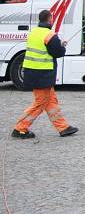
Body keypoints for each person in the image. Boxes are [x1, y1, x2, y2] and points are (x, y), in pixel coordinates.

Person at [11, 9, 78, 139]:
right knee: (40, 103)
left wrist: (58, 45)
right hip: (43, 74)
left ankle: (63, 127)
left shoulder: (33, 33)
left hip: (32, 71)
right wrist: (62, 46)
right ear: (50, 20)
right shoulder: (49, 35)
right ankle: (19, 128)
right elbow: (57, 52)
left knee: (51, 101)